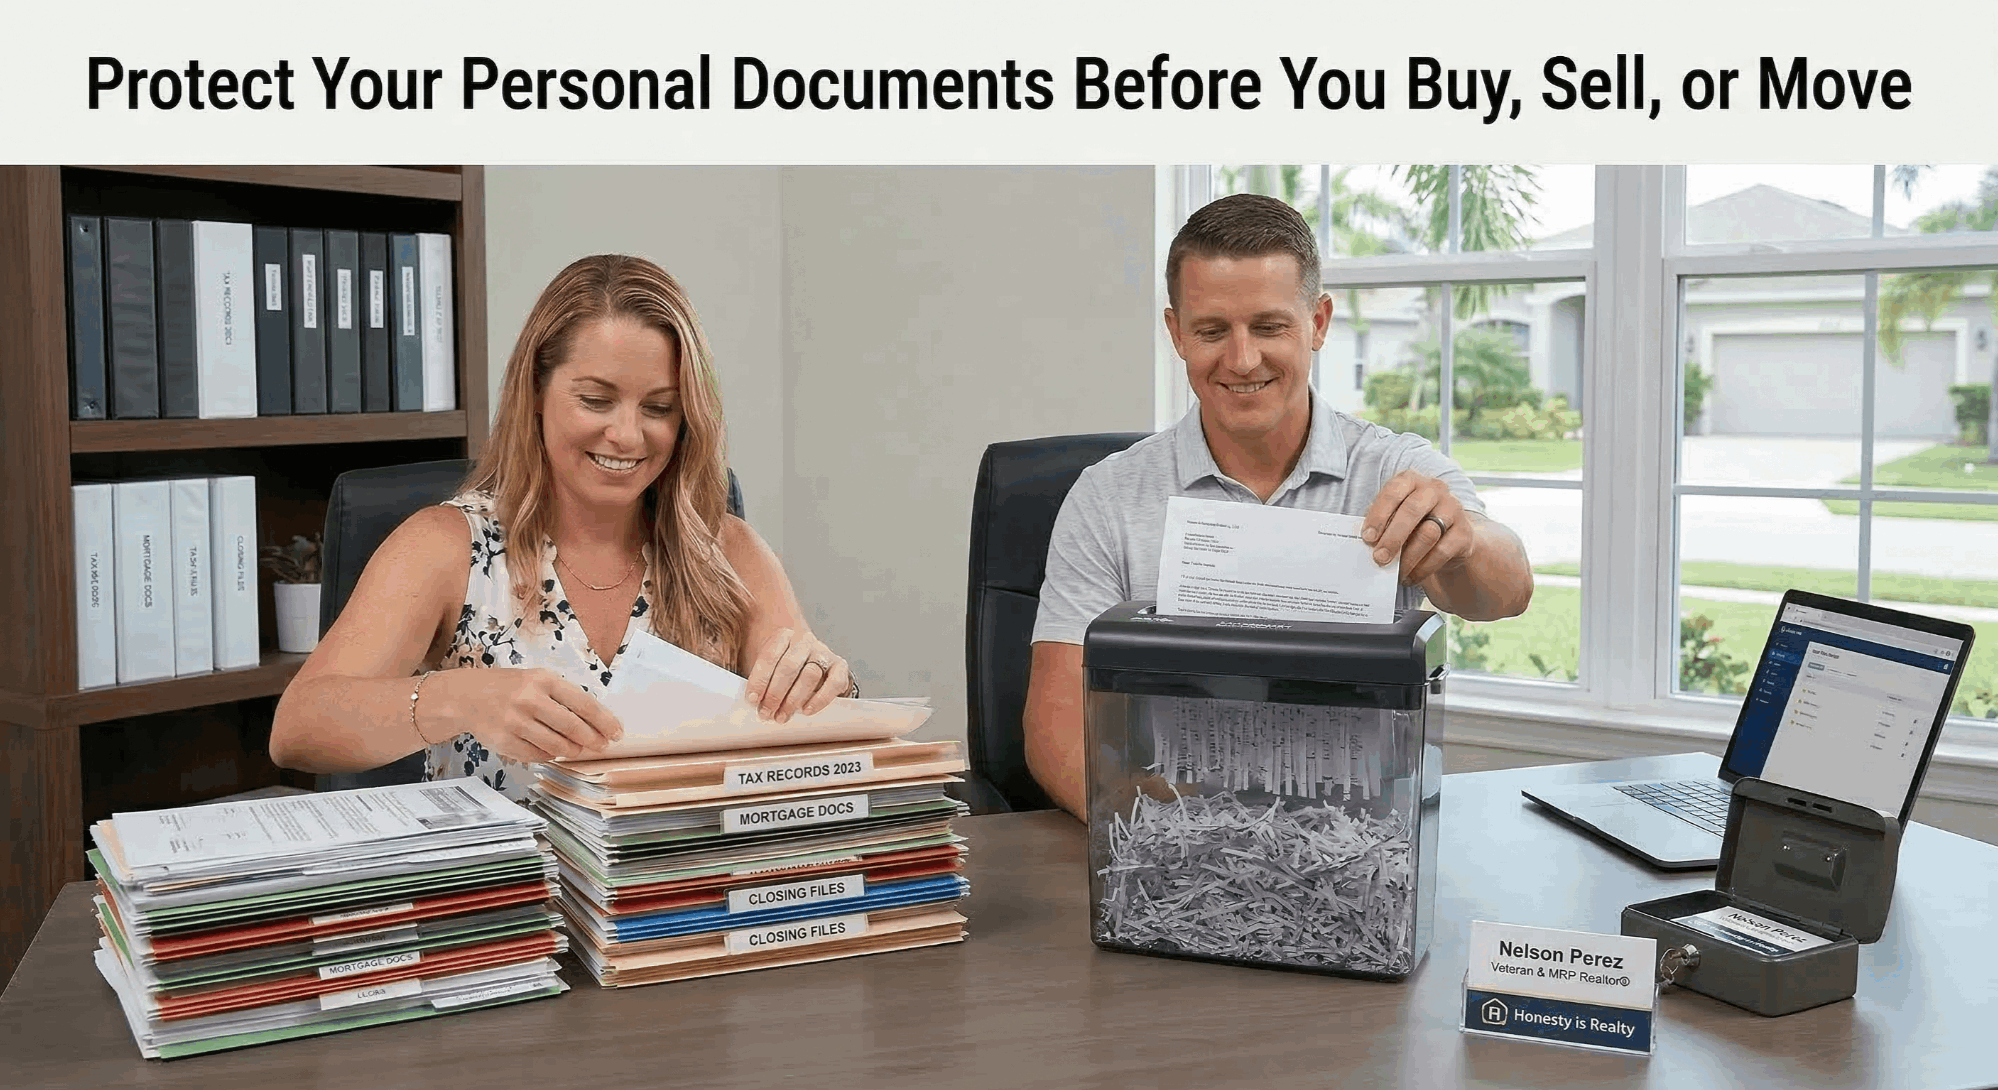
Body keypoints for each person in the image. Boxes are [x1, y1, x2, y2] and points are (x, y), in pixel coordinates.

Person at [1023, 194, 1535, 820]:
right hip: (1167, 837)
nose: (1241, 360)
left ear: (1317, 322)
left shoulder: (1393, 470)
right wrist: (1180, 846)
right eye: (1212, 330)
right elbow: (1055, 734)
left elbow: (1505, 593)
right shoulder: (1106, 498)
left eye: (1269, 327)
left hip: (1359, 845)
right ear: (1176, 331)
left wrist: (1466, 542)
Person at [270, 254, 853, 800]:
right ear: (536, 395)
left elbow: (819, 743)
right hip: (511, 899)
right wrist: (460, 699)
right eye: (596, 400)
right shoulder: (445, 546)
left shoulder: (727, 550)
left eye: (658, 408)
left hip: (676, 896)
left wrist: (827, 687)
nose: (627, 436)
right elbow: (298, 728)